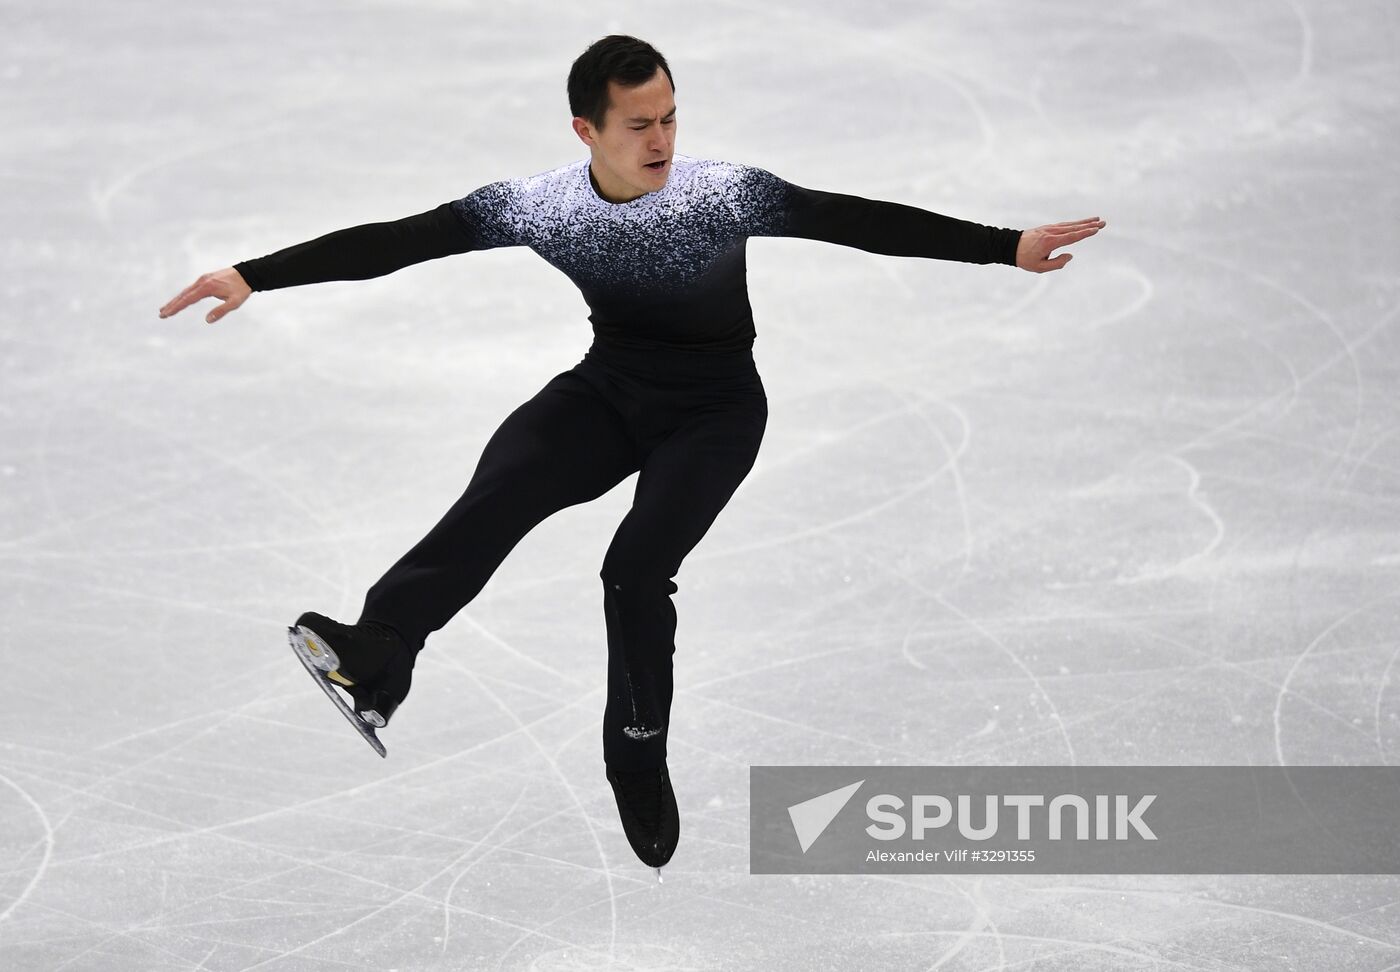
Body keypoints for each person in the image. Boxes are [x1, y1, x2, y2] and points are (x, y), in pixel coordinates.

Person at [158, 34, 1105, 877]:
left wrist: (1002, 246)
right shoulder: (540, 208)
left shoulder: (720, 193)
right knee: (504, 484)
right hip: (610, 390)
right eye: (640, 124)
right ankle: (379, 655)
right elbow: (396, 244)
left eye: (671, 116)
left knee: (635, 570)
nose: (662, 140)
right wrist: (254, 274)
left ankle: (636, 753)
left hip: (717, 410)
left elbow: (856, 220)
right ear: (587, 131)